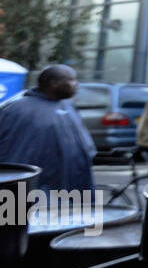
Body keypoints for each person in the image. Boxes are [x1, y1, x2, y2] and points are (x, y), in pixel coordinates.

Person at [0, 64, 94, 193]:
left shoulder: (67, 106)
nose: (77, 84)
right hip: (35, 188)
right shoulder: (18, 109)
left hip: (71, 186)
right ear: (54, 83)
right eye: (72, 80)